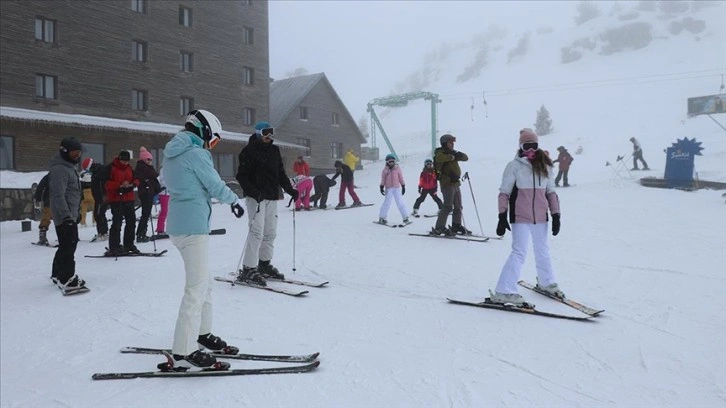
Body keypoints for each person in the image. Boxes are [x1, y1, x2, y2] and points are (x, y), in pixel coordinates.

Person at [162, 109, 245, 369]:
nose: (212, 145)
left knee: (204, 283)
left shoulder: (172, 154)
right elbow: (214, 183)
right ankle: (184, 351)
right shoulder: (197, 154)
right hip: (193, 228)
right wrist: (234, 201)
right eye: (214, 139)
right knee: (196, 289)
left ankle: (202, 333)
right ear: (205, 130)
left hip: (179, 225)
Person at [490, 128, 563, 306]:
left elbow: (551, 192)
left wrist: (556, 214)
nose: (530, 150)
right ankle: (504, 290)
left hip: (541, 217)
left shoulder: (545, 166)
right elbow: (504, 193)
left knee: (543, 250)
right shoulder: (513, 166)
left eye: (534, 145)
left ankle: (547, 282)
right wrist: (502, 215)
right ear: (521, 147)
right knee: (519, 252)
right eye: (526, 146)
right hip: (520, 216)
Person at [235, 121, 298, 286]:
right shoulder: (248, 151)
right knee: (257, 232)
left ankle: (264, 264)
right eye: (265, 132)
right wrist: (254, 192)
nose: (269, 136)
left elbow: (281, 173)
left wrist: (290, 189)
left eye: (271, 132)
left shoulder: (274, 150)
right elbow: (241, 176)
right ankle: (248, 268)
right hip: (255, 197)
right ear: (258, 133)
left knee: (270, 232)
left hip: (272, 196)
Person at [48, 137, 85, 290]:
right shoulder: (60, 169)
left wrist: (76, 213)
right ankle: (66, 278)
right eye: (74, 153)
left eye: (78, 153)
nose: (77, 156)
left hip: (70, 214)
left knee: (66, 244)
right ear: (64, 152)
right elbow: (58, 195)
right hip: (64, 216)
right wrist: (66, 216)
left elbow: (73, 193)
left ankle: (57, 273)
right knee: (69, 245)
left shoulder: (69, 167)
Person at [431, 134, 471, 236]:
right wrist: (452, 156)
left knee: (458, 206)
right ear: (445, 143)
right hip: (447, 183)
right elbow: (439, 158)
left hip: (456, 183)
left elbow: (466, 158)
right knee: (448, 207)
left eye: (453, 143)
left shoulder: (451, 152)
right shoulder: (440, 153)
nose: (452, 144)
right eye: (450, 142)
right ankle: (439, 227)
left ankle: (456, 225)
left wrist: (457, 154)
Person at [105, 150, 140, 256]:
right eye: (123, 161)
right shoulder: (111, 168)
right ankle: (114, 246)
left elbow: (137, 179)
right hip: (116, 199)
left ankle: (129, 244)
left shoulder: (129, 168)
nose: (125, 163)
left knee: (131, 222)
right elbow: (106, 183)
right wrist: (119, 185)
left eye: (126, 161)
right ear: (119, 159)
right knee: (117, 223)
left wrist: (132, 184)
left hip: (129, 198)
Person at [135, 146, 160, 242]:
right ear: (144, 159)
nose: (150, 161)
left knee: (146, 214)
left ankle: (142, 232)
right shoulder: (143, 168)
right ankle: (141, 234)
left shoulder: (147, 167)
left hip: (148, 192)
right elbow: (149, 177)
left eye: (151, 159)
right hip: (146, 192)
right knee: (145, 214)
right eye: (148, 159)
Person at [377, 154, 410, 225]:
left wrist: (403, 185)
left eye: (392, 161)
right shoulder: (385, 170)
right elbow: (383, 179)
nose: (391, 163)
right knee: (387, 203)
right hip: (388, 188)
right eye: (390, 162)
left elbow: (401, 177)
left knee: (400, 202)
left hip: (396, 188)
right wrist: (381, 186)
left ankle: (405, 218)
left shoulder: (397, 169)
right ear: (387, 162)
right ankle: (382, 217)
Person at [89, 159, 109, 241]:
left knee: (99, 215)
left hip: (101, 198)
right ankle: (103, 232)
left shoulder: (99, 174)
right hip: (98, 198)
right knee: (99, 214)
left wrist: (104, 195)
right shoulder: (96, 173)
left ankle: (103, 233)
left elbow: (102, 186)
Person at [33, 173, 53, 246]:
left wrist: (38, 197)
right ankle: (65, 237)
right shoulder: (64, 174)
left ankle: (42, 234)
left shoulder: (49, 176)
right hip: (61, 202)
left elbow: (40, 187)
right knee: (64, 218)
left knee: (46, 218)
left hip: (49, 200)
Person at [79, 158, 95, 228]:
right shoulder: (93, 172)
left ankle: (82, 222)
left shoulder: (81, 173)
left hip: (84, 193)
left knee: (83, 209)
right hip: (92, 191)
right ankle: (94, 221)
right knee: (95, 208)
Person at [155, 168, 170, 234]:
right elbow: (163, 181)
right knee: (164, 211)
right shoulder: (164, 169)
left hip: (171, 192)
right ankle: (160, 229)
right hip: (165, 193)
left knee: (171, 212)